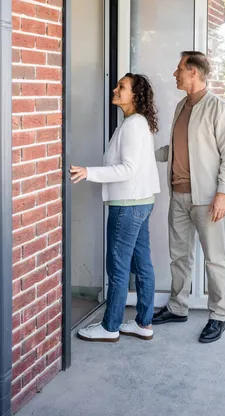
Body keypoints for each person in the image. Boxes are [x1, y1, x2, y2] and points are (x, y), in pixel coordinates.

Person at [152, 51, 225, 344]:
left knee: (214, 260)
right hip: (178, 194)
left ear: (193, 72)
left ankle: (218, 316)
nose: (175, 74)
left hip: (206, 198)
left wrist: (223, 193)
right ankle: (177, 307)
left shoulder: (218, 108)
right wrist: (144, 156)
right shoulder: (180, 106)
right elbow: (175, 147)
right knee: (179, 256)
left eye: (179, 69)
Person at [70, 74, 160, 343]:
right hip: (141, 201)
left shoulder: (133, 125)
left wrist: (89, 172)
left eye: (122, 87)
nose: (115, 89)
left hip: (128, 205)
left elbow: (128, 169)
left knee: (118, 267)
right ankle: (143, 324)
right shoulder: (136, 123)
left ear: (134, 95)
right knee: (142, 264)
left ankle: (110, 327)